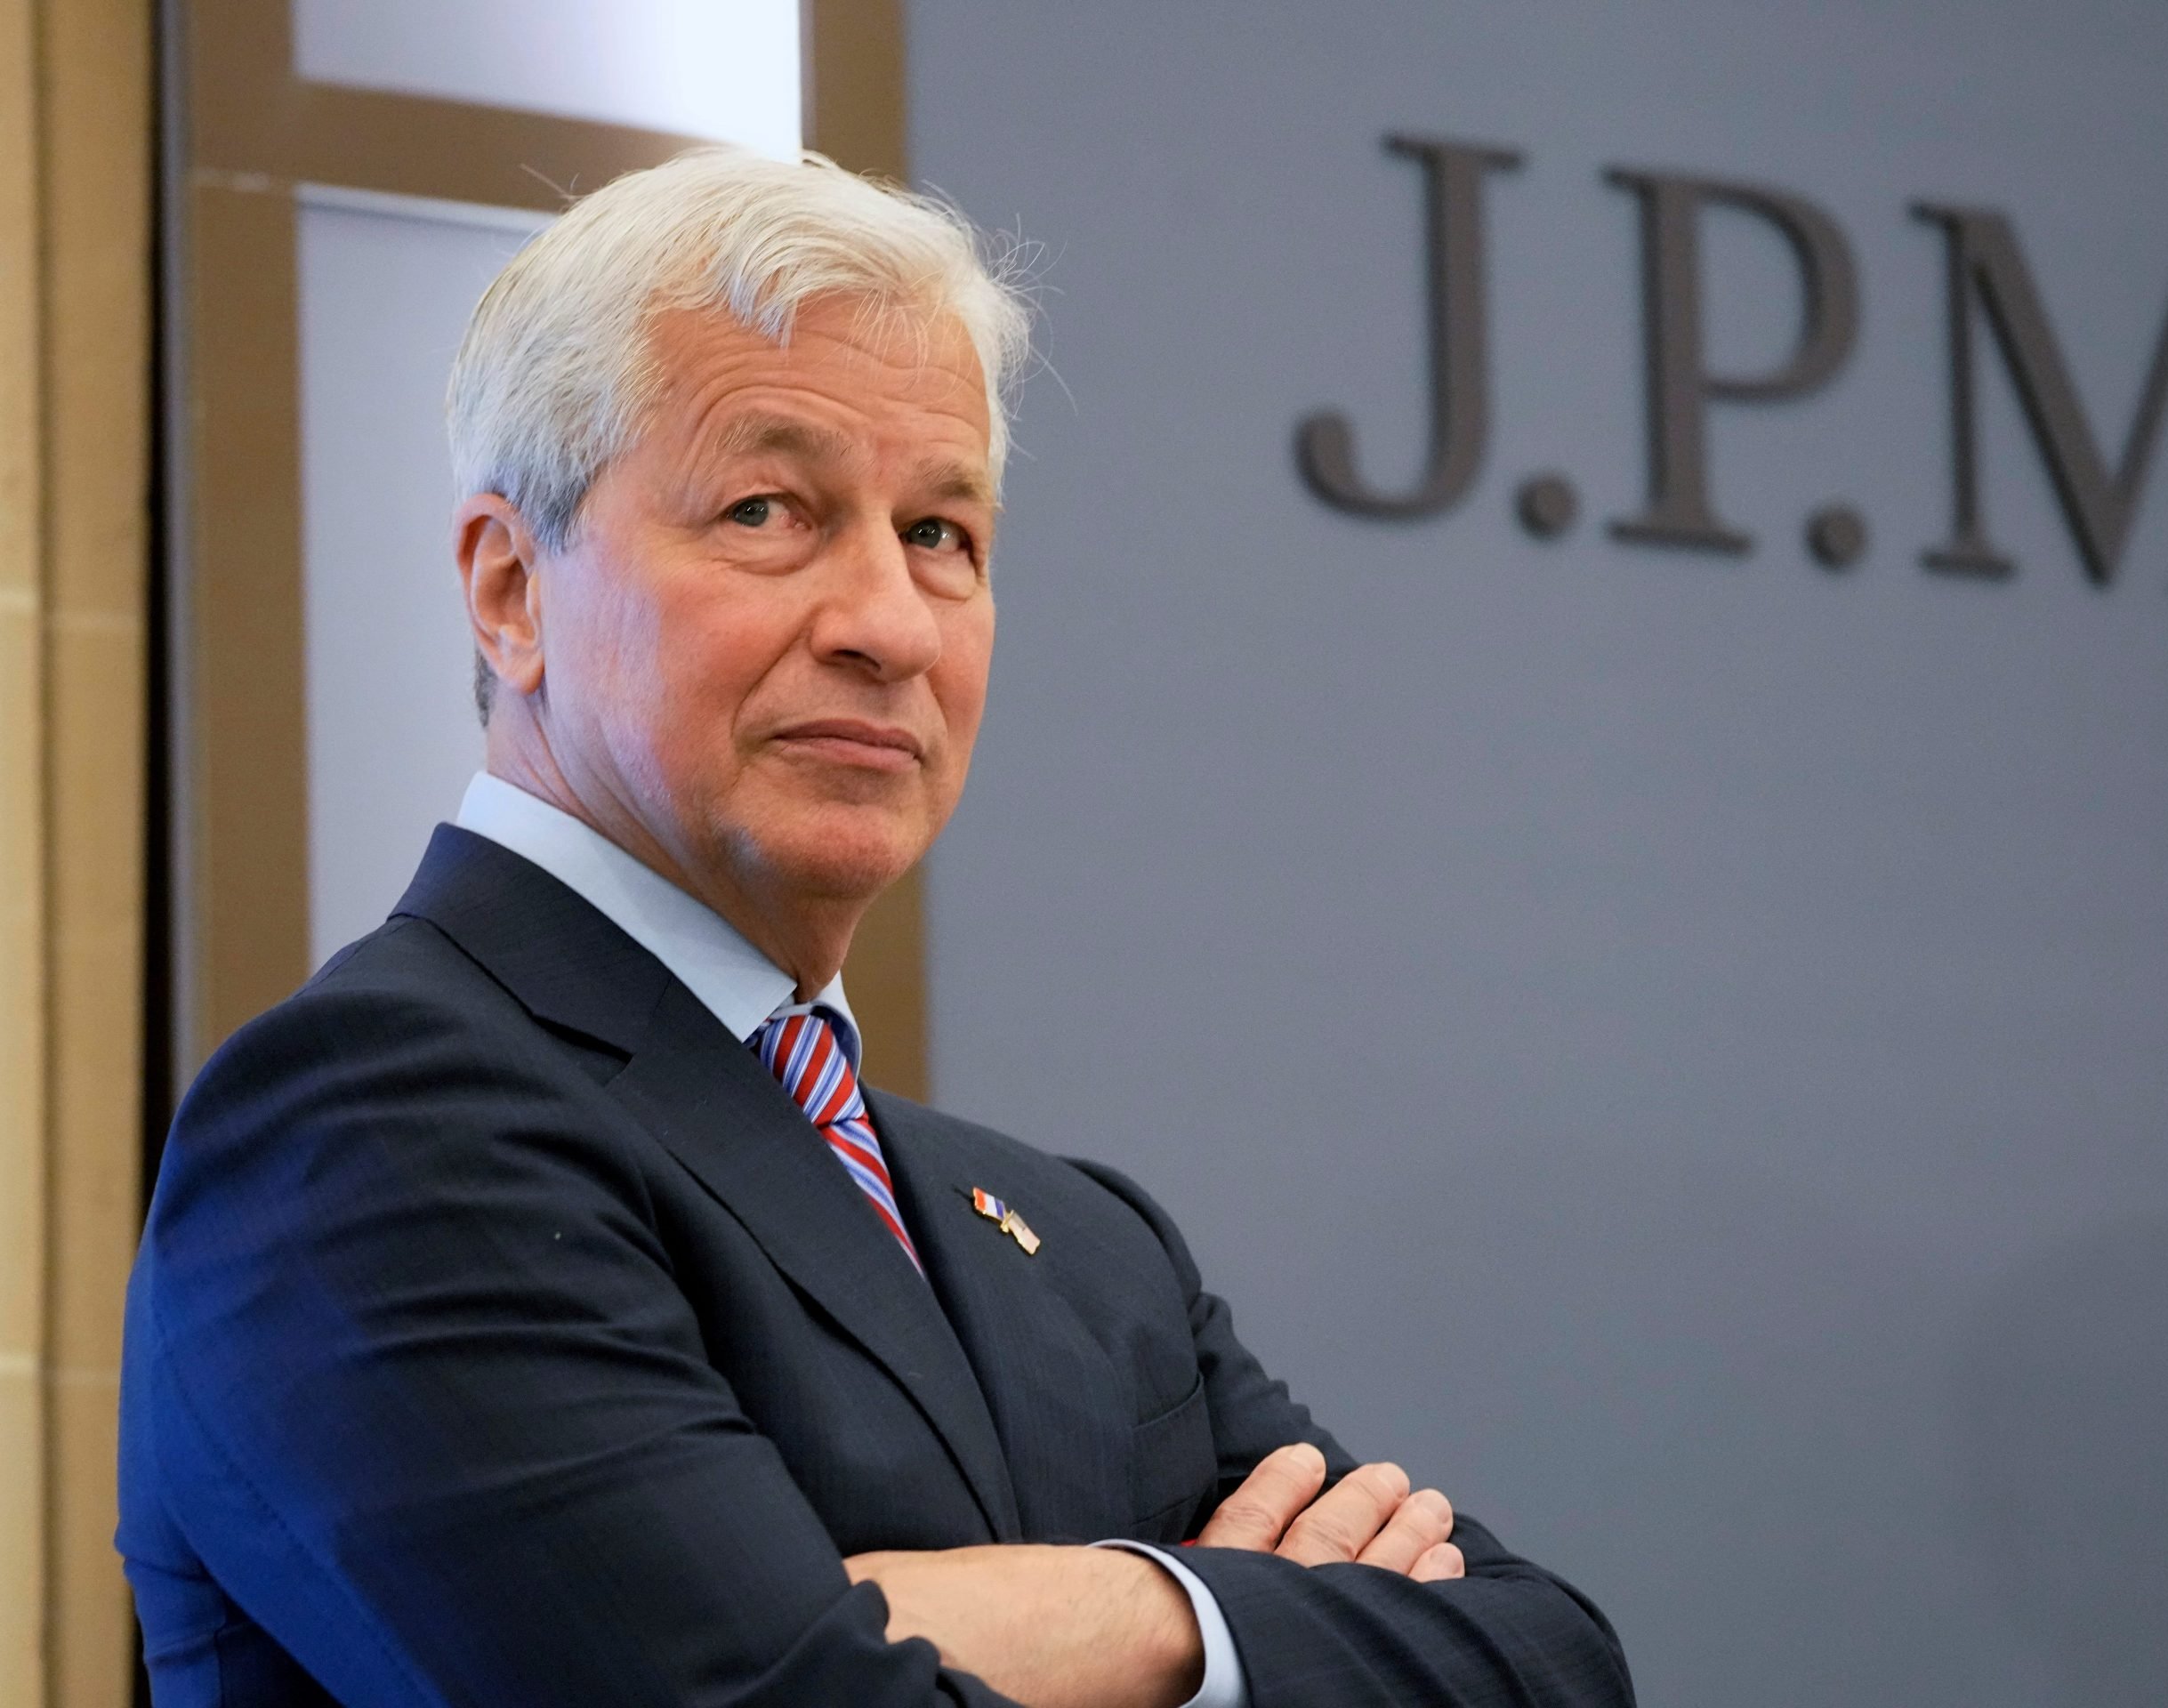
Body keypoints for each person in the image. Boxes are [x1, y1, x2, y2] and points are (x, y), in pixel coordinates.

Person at [117, 149, 1633, 1708]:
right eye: (769, 509)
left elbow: (1552, 1665)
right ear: (513, 590)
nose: (890, 624)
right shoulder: (375, 1120)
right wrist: (1244, 1620)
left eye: (940, 535)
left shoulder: (1086, 1252)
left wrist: (1138, 1610)